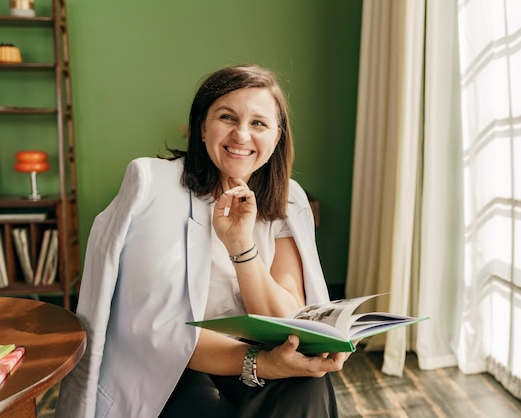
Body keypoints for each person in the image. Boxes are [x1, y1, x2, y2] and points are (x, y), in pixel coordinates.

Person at [55, 64, 350, 418]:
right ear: (202, 127)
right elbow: (160, 332)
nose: (242, 135)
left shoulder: (288, 200)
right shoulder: (154, 187)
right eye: (227, 117)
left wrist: (242, 248)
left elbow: (287, 319)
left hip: (254, 352)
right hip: (172, 367)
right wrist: (263, 364)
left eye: (258, 123)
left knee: (307, 386)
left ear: (277, 137)